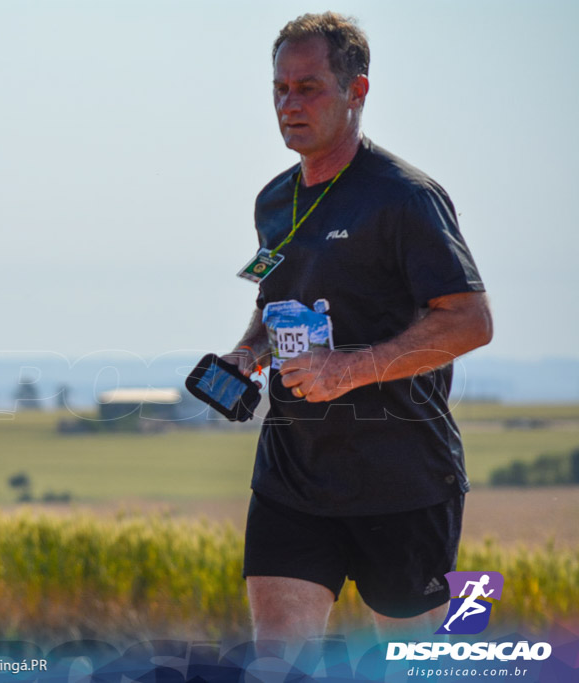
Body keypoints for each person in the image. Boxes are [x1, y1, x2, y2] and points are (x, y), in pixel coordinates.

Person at [223, 12, 493, 645]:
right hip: (291, 476)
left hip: (402, 479)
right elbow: (276, 297)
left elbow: (471, 321)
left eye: (309, 87)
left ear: (357, 91)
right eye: (280, 89)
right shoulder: (273, 200)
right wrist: (246, 351)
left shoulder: (405, 197)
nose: (289, 104)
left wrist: (349, 369)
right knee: (277, 662)